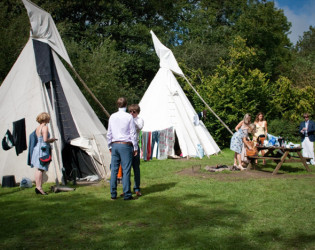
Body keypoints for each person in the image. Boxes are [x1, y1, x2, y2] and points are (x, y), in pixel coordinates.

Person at [107, 97, 138, 200]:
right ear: (126, 105)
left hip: (115, 144)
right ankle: (127, 194)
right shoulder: (129, 117)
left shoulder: (112, 116)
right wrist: (135, 147)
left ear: (117, 105)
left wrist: (109, 145)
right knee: (126, 170)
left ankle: (113, 194)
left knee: (114, 170)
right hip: (125, 144)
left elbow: (109, 132)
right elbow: (133, 133)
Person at [31, 112, 57, 195]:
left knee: (38, 169)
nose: (49, 119)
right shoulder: (45, 127)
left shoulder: (38, 128)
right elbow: (45, 140)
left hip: (37, 148)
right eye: (48, 118)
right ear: (45, 118)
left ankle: (37, 186)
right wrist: (52, 140)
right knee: (41, 169)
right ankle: (39, 187)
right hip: (43, 149)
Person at [128, 104, 144, 196]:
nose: (132, 113)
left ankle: (137, 188)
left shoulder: (139, 120)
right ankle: (127, 188)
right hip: (127, 145)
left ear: (137, 112)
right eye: (130, 111)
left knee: (136, 168)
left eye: (134, 112)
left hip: (135, 145)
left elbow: (139, 127)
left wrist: (131, 121)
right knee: (127, 169)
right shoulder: (127, 119)